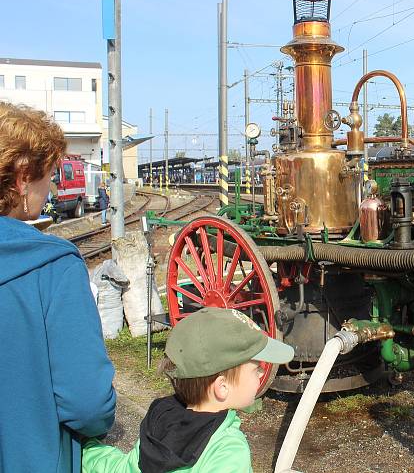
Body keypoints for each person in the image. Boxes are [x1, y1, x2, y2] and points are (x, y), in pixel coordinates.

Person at [0, 102, 117, 472]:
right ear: (21, 177)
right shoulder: (52, 266)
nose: (50, 187)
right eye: (48, 175)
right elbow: (88, 404)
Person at [82, 307, 295, 472]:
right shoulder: (228, 450)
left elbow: (124, 469)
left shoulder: (158, 425)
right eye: (256, 368)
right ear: (222, 387)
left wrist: (87, 449)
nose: (260, 374)